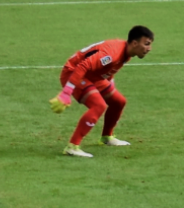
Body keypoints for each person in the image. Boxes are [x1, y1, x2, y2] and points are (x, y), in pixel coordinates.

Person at [49, 26, 154, 157]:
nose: (149, 49)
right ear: (134, 43)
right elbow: (83, 65)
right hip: (74, 73)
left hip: (93, 75)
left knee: (118, 102)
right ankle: (72, 146)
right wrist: (66, 93)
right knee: (99, 106)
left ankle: (106, 138)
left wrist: (110, 84)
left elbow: (109, 69)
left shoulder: (126, 53)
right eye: (147, 44)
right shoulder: (112, 54)